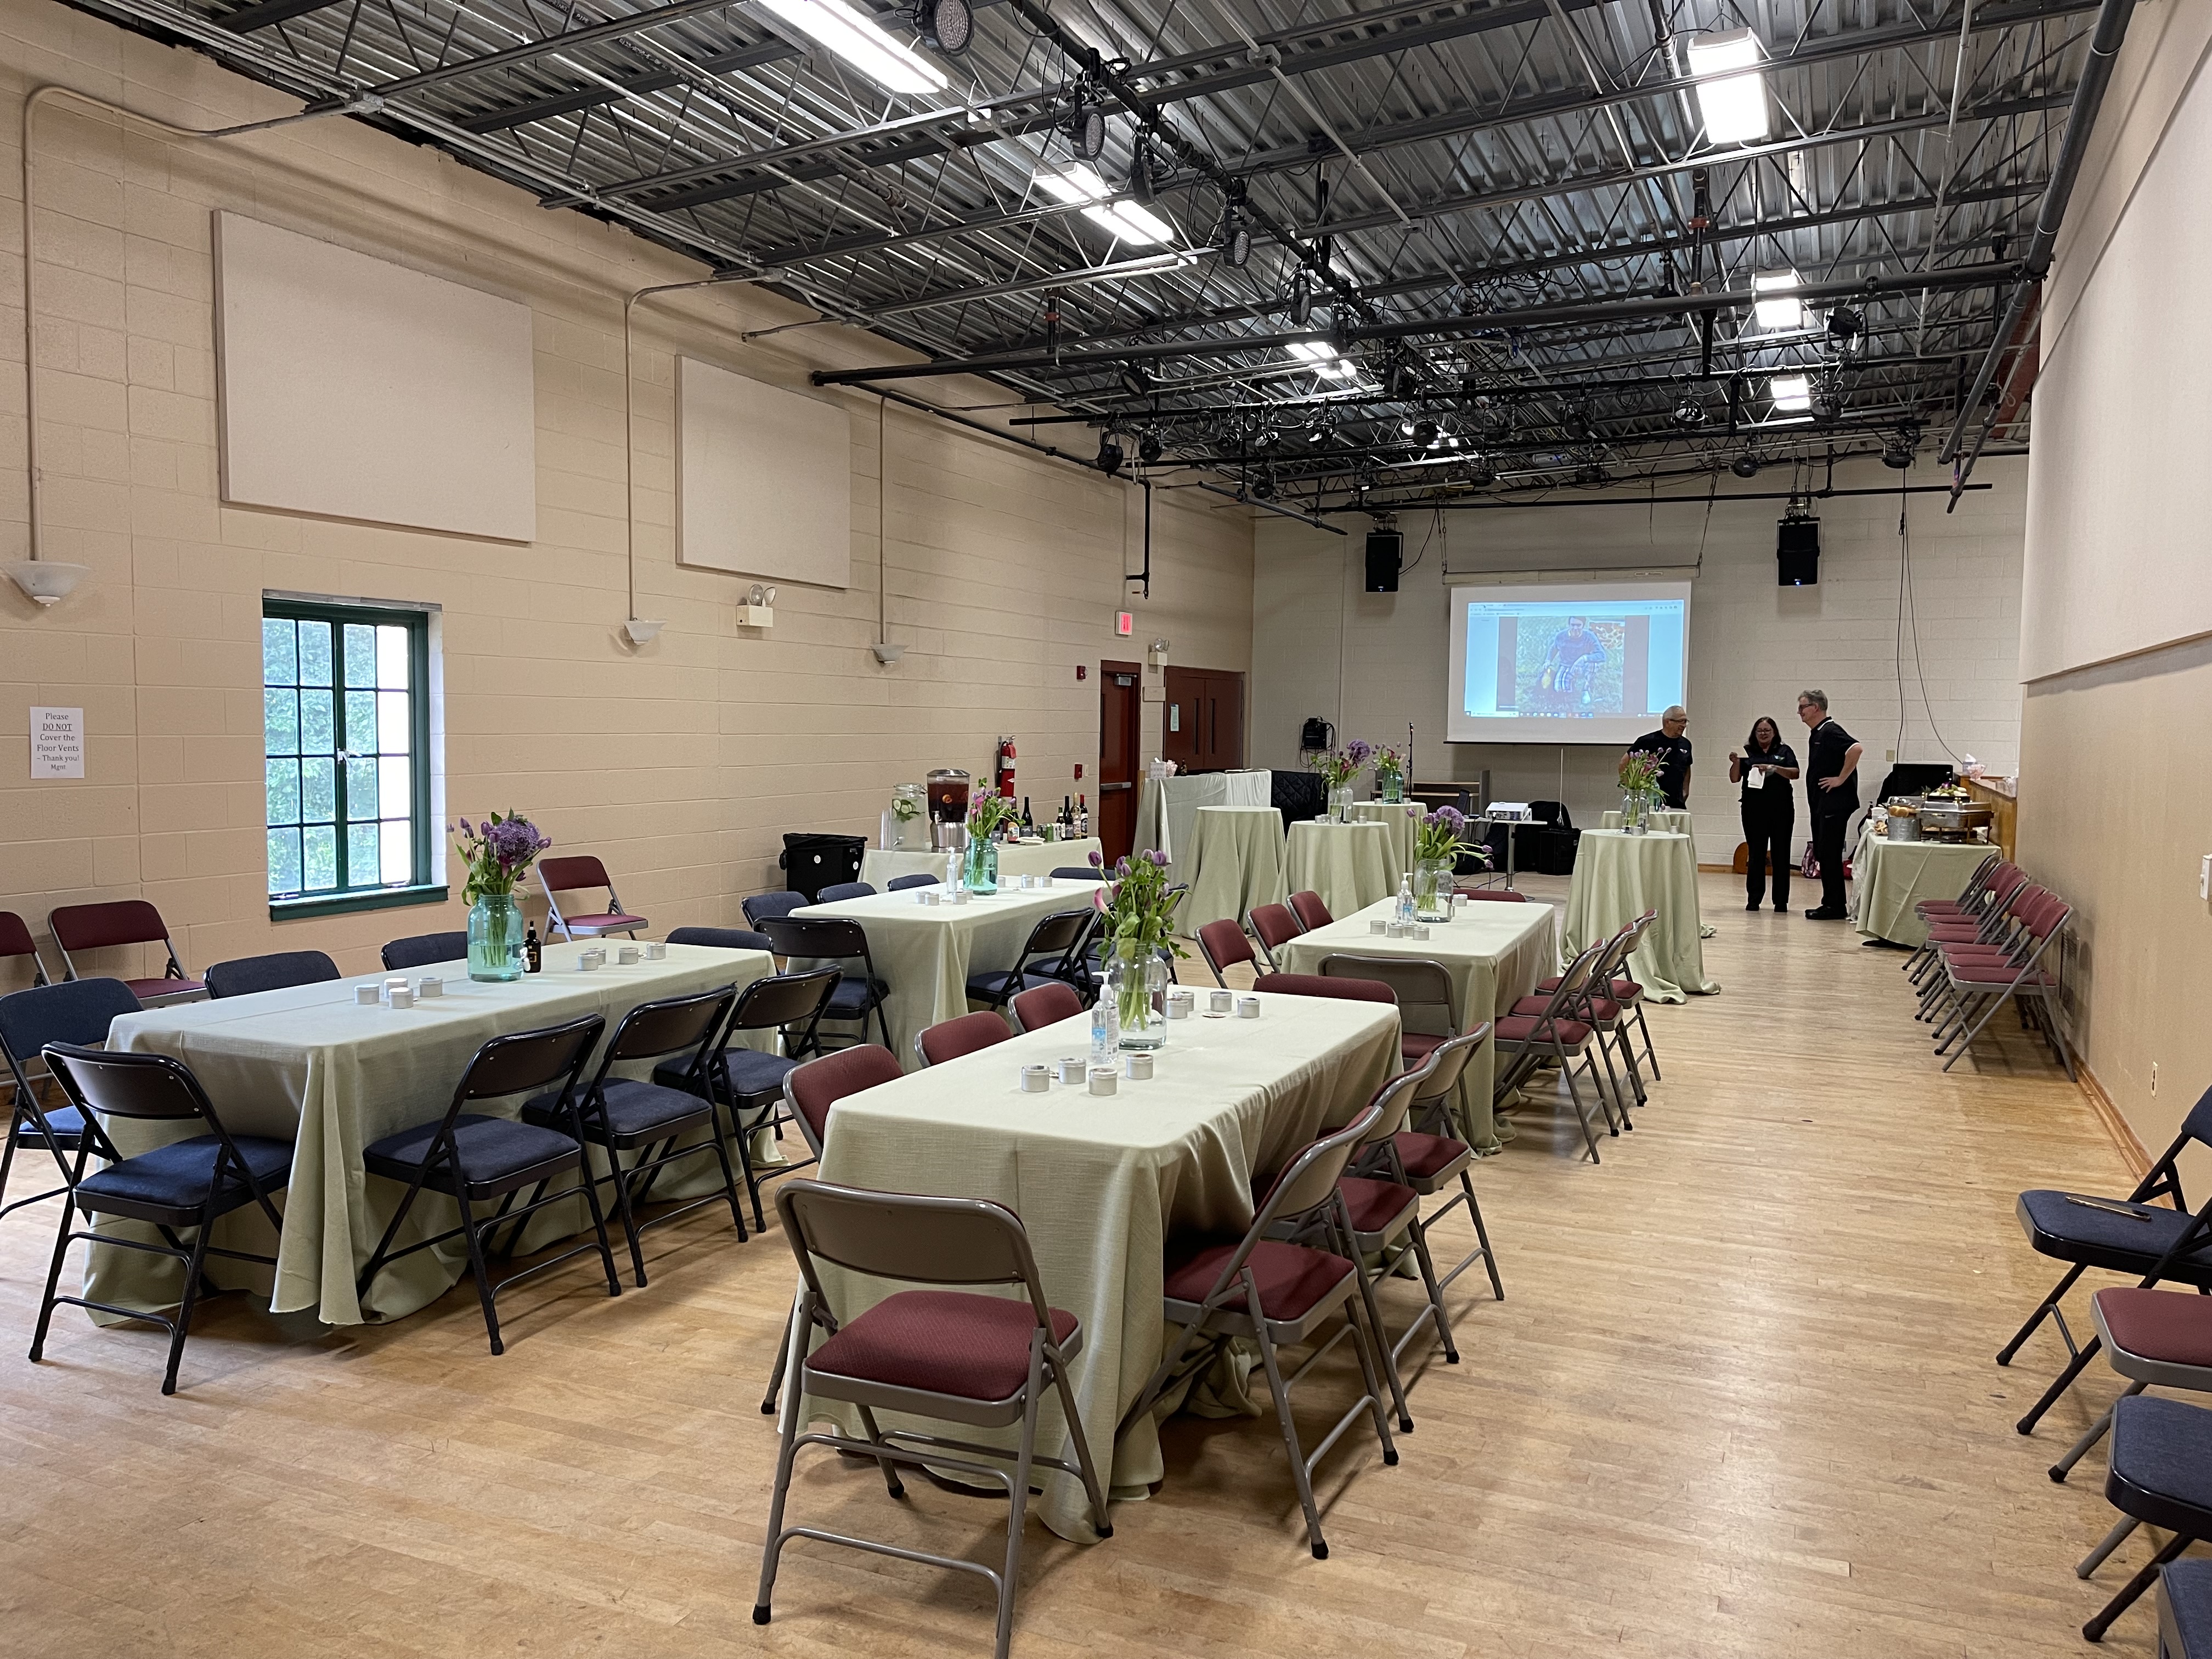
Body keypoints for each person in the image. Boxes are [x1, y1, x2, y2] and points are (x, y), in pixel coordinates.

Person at [1797, 689, 1863, 919]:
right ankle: (1832, 903)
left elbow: (1856, 749)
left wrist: (1841, 779)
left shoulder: (1830, 731)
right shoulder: (1818, 732)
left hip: (1834, 805)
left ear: (1816, 707)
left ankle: (1834, 906)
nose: (1800, 712)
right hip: (1823, 804)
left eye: (1803, 707)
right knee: (1825, 852)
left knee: (1830, 853)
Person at [1729, 716, 1799, 912]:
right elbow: (1735, 778)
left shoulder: (1784, 751)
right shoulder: (1749, 752)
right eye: (1760, 730)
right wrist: (1735, 762)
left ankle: (1781, 901)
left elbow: (1795, 773)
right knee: (1756, 855)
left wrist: (1775, 768)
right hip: (1754, 811)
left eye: (1767, 730)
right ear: (1755, 733)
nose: (1763, 734)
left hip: (1781, 810)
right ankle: (1754, 900)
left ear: (1774, 732)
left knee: (1781, 854)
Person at [1626, 706, 1693, 810]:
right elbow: (1624, 763)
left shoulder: (1686, 744)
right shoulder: (1647, 741)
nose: (1683, 726)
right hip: (1651, 803)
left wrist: (1685, 792)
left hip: (1677, 803)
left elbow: (1687, 769)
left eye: (1685, 722)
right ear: (1668, 722)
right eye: (1681, 721)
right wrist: (1632, 790)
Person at [1540, 617, 1606, 707]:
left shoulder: (1589, 636)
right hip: (1566, 666)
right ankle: (1571, 688)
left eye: (1578, 625)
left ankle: (1585, 689)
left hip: (1583, 666)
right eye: (1573, 625)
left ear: (1583, 625)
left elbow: (1602, 655)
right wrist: (1548, 661)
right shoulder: (1561, 636)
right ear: (1569, 625)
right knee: (1560, 689)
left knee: (1593, 663)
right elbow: (1553, 649)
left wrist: (1584, 658)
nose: (1575, 628)